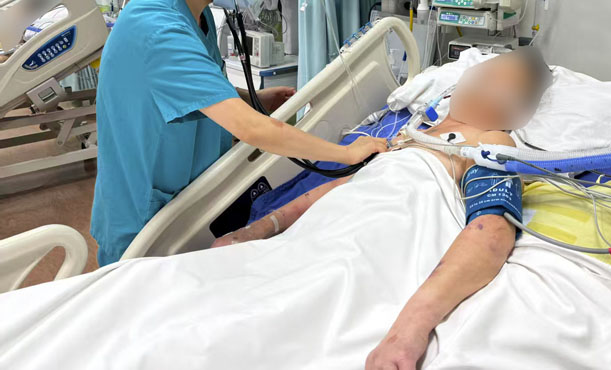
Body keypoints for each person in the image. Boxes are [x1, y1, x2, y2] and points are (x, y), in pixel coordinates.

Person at [91, 0, 386, 266]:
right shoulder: (158, 27)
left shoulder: (191, 9)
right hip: (144, 217)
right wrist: (347, 153)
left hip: (185, 204)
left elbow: (189, 90)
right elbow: (252, 130)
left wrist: (252, 98)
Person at [211, 50, 552, 369]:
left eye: (501, 83)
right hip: (322, 230)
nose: (482, 81)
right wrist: (260, 228)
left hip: (375, 241)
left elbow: (492, 232)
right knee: (222, 301)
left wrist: (408, 331)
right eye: (485, 71)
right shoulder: (411, 134)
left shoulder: (492, 141)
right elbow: (344, 187)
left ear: (520, 112)